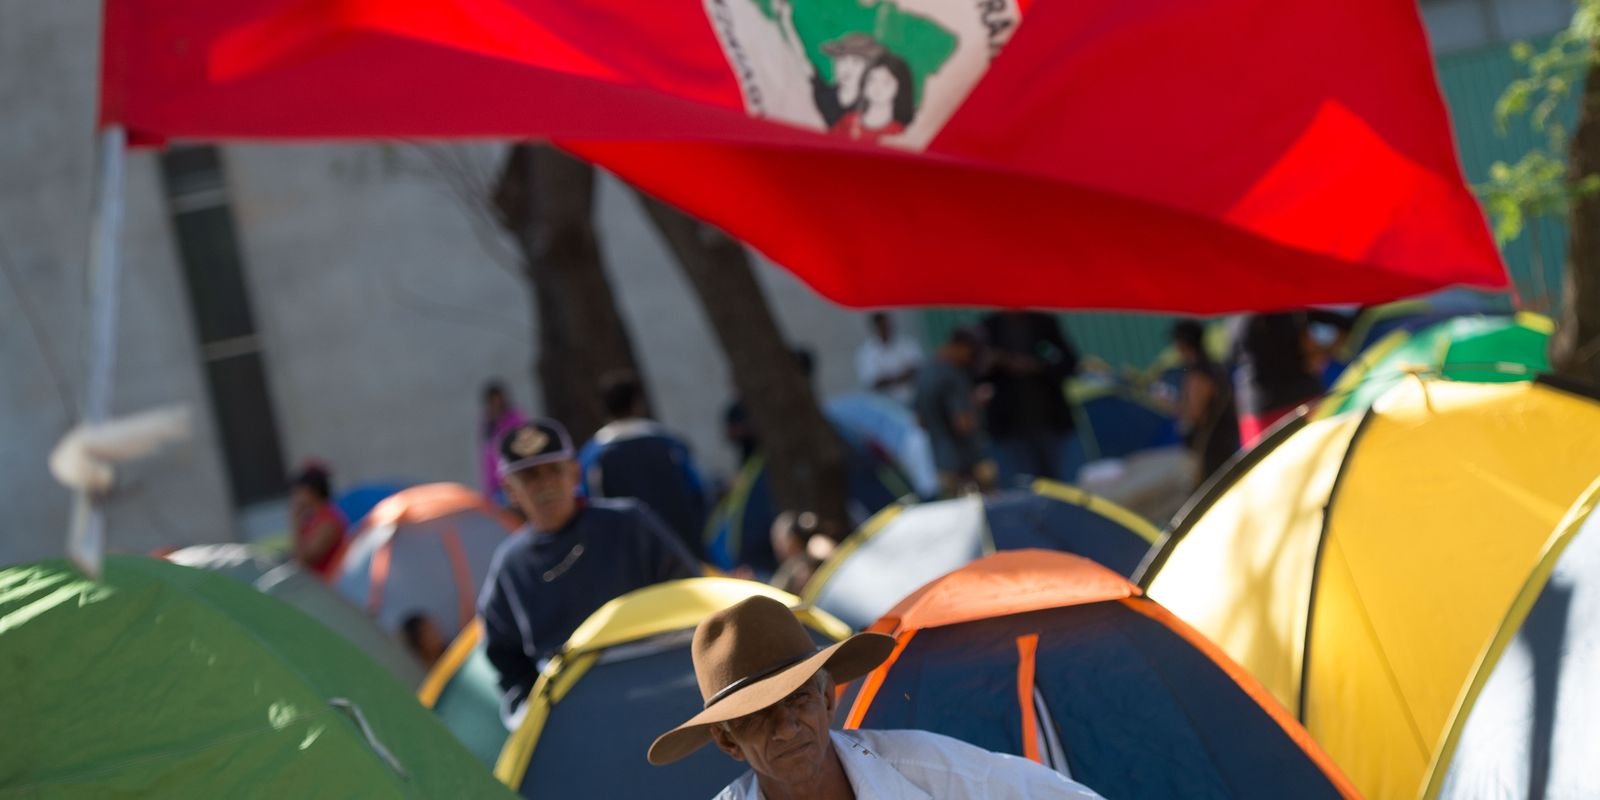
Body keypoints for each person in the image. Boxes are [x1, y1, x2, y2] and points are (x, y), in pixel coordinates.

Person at [646, 596, 1106, 800]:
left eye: (798, 700)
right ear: (729, 744)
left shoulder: (930, 772)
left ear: (828, 699)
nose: (786, 728)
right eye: (757, 717)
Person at [479, 418, 702, 724]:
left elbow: (691, 595)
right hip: (579, 714)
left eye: (554, 470)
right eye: (529, 476)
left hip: (661, 683)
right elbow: (505, 657)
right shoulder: (511, 566)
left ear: (574, 471)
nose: (545, 484)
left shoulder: (629, 523)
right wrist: (538, 712)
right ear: (509, 490)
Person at [579, 370, 710, 559]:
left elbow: (586, 504)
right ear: (637, 404)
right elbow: (698, 493)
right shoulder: (668, 444)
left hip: (629, 557)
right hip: (683, 549)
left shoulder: (593, 456)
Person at [980, 311, 1081, 487]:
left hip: (1050, 420)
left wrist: (1037, 366)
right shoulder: (988, 328)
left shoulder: (1044, 324)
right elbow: (975, 373)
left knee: (1062, 483)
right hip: (1011, 426)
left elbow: (1069, 364)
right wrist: (998, 361)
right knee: (1023, 486)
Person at [914, 327, 994, 497]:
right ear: (961, 347)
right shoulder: (952, 375)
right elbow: (963, 424)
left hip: (943, 466)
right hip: (968, 468)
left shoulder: (925, 372)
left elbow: (920, 421)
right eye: (972, 352)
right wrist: (974, 405)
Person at [1226, 312, 1323, 447]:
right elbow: (1313, 356)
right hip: (1300, 400)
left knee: (1265, 464)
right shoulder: (1287, 311)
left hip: (1256, 409)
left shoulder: (1237, 318)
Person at [1170, 320, 1240, 483]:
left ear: (1183, 344)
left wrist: (1174, 406)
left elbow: (1195, 413)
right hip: (1228, 437)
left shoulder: (1198, 373)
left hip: (1212, 446)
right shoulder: (1216, 366)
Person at [832, 52, 917, 143]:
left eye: (886, 82)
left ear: (900, 88)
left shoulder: (900, 132)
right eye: (872, 80)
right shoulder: (847, 121)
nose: (877, 87)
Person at [289, 463, 347, 580]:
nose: (295, 497)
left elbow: (304, 561)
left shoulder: (328, 522)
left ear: (309, 492)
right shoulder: (314, 519)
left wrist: (295, 522)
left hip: (329, 586)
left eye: (298, 492)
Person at [854, 312, 923, 406]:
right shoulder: (867, 353)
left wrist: (889, 379)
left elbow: (919, 370)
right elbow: (873, 383)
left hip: (915, 399)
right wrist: (901, 376)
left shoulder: (907, 343)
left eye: (887, 325)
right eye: (882, 326)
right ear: (875, 328)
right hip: (887, 406)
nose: (886, 329)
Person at [480, 381, 526, 506]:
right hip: (496, 487)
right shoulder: (488, 425)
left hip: (515, 478)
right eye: (492, 401)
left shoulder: (515, 419)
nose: (496, 404)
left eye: (498, 400)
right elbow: (487, 459)